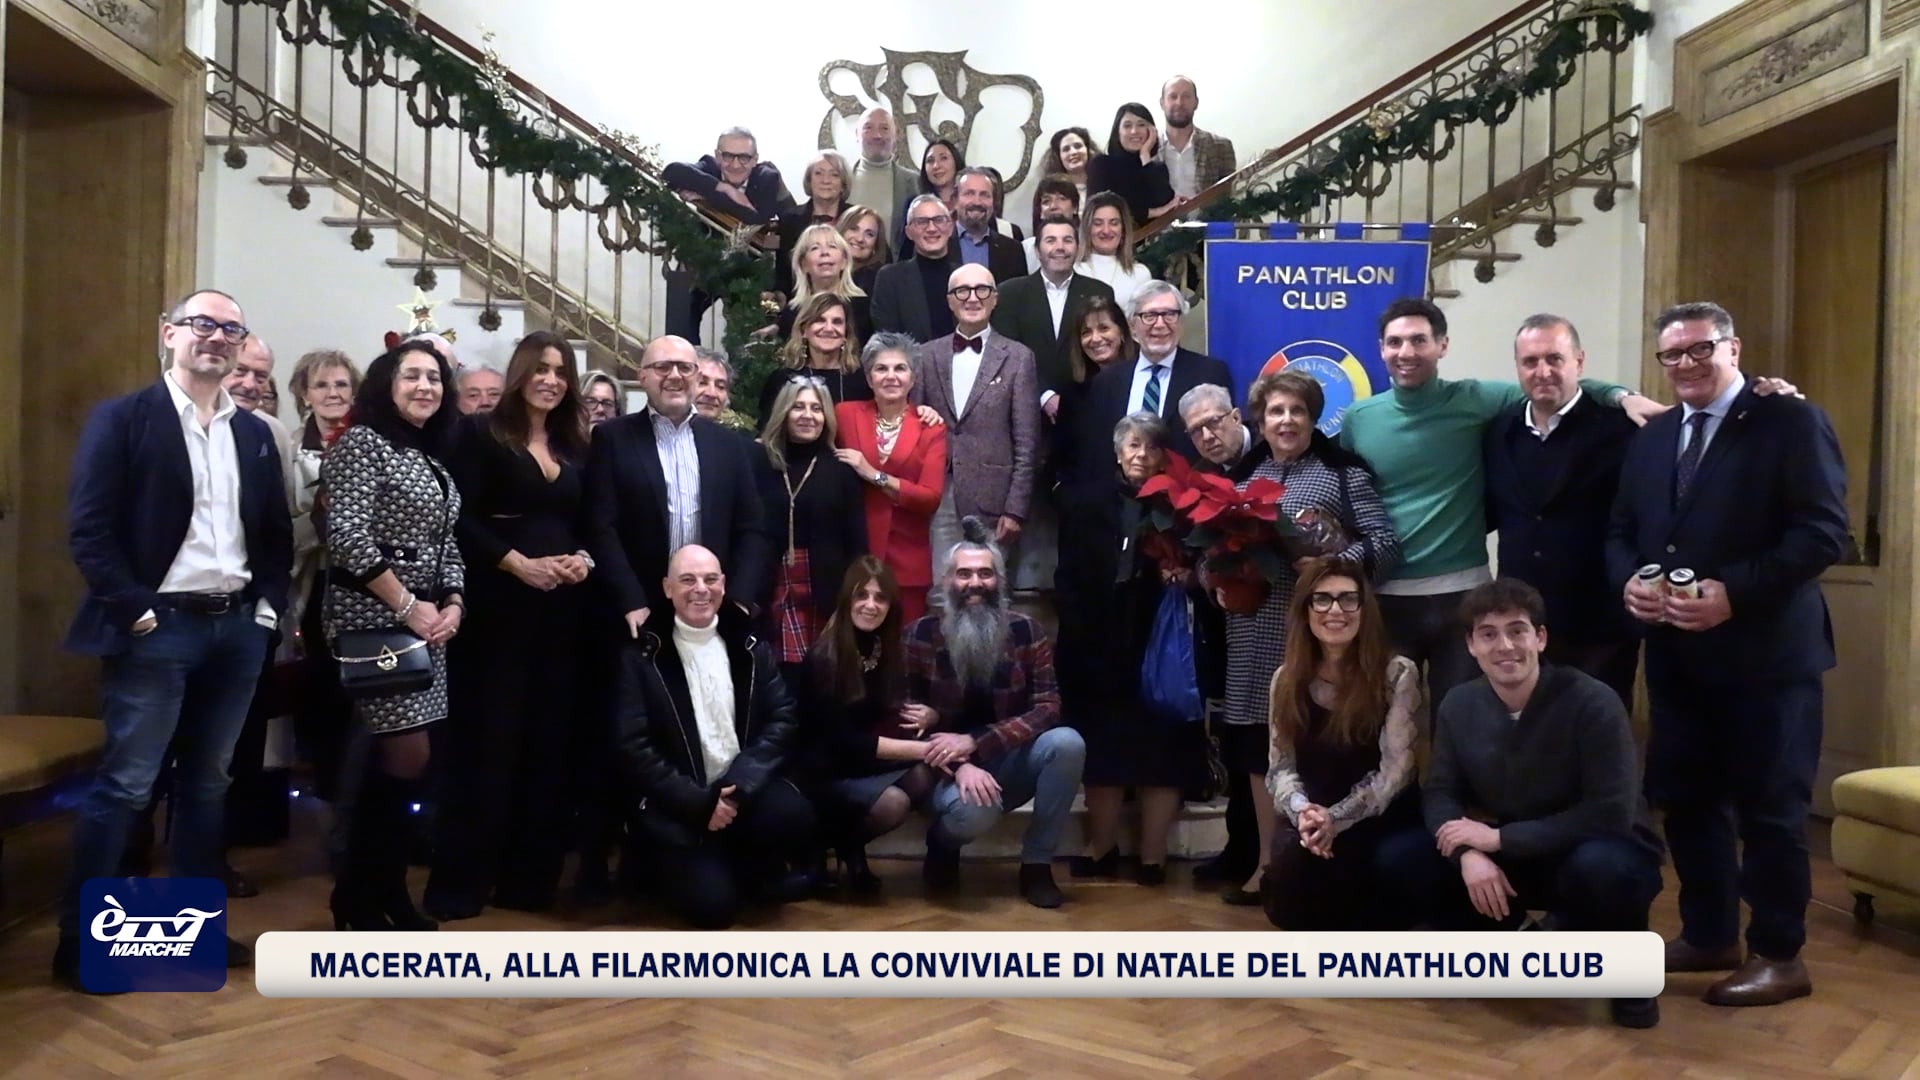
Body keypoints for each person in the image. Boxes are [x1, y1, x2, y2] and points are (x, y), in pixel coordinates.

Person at [1607, 301, 1848, 1007]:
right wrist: (1631, 582)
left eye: (1699, 349)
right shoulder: (1655, 436)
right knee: (1686, 801)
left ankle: (1780, 953)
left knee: (1771, 811)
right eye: (1672, 354)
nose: (1685, 364)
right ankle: (1710, 933)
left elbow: (1823, 534)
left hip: (1768, 660)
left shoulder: (1789, 421)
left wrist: (1733, 593)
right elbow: (1621, 529)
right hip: (1677, 658)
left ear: (1732, 348)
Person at [56, 289, 291, 989]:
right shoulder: (123, 419)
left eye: (230, 329)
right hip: (158, 628)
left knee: (208, 784)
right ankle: (83, 943)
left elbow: (274, 533)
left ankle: (191, 938)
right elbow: (90, 530)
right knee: (127, 786)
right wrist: (136, 612)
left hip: (236, 629)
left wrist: (267, 610)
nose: (215, 337)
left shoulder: (252, 433)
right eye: (201, 324)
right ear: (169, 334)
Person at [1341, 297, 1657, 719]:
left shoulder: (1477, 400)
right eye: (1395, 342)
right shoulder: (1359, 419)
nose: (1406, 352)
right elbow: (1348, 497)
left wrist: (1620, 395)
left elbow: (1552, 385)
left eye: (1419, 340)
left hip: (1463, 595)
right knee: (1385, 723)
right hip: (1386, 595)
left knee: (1464, 721)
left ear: (1442, 345)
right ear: (1381, 349)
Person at [1384, 578, 1666, 1029]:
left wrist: (1498, 839)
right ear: (1471, 646)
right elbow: (1440, 792)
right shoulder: (1459, 703)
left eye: (1517, 630)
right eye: (1489, 634)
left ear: (1541, 637)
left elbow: (1610, 812)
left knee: (1607, 870)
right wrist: (1467, 852)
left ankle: (1629, 977)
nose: (1505, 646)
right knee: (1403, 857)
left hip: (1595, 847)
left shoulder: (1593, 701)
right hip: (1513, 850)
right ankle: (1513, 944)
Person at [425, 331, 593, 920]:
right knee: (486, 745)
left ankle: (529, 881)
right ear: (520, 373)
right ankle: (463, 883)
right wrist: (514, 562)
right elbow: (457, 517)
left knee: (547, 746)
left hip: (561, 615)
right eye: (541, 368)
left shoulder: (575, 443)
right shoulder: (479, 434)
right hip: (496, 612)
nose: (551, 380)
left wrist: (582, 559)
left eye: (561, 371)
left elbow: (590, 522)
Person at [1217, 370, 1400, 905]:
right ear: (1260, 421)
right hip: (1253, 630)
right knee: (1259, 750)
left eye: (1297, 410)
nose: (1286, 421)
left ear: (1314, 417)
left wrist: (1329, 569)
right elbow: (1221, 550)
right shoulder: (1243, 476)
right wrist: (1217, 577)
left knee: (1311, 746)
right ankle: (1266, 861)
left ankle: (1320, 847)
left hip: (1322, 633)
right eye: (1276, 411)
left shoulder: (1341, 472)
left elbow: (1385, 544)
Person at [320, 340, 466, 933]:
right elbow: (347, 537)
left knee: (406, 765)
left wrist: (454, 602)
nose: (426, 386)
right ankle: (358, 895)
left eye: (435, 377)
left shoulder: (430, 454)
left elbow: (446, 543)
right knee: (405, 758)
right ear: (387, 383)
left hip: (428, 626)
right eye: (413, 376)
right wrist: (409, 607)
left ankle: (383, 891)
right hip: (376, 623)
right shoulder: (363, 443)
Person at [613, 544, 815, 929]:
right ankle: (670, 867)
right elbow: (634, 748)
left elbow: (783, 718)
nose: (701, 589)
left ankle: (736, 864)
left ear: (723, 584)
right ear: (667, 588)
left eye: (710, 579)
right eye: (687, 580)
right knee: (714, 912)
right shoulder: (641, 655)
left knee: (794, 813)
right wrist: (700, 803)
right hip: (680, 805)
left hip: (739, 793)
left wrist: (739, 784)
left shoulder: (749, 644)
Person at [905, 518, 1085, 908]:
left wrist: (976, 742)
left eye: (985, 574)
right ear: (947, 581)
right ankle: (942, 844)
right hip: (942, 769)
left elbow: (1048, 707)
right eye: (964, 574)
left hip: (1006, 758)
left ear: (999, 581)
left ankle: (1037, 864)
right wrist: (960, 765)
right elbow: (907, 722)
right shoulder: (919, 635)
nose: (975, 583)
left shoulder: (1027, 631)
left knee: (1067, 744)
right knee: (976, 811)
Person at [1059, 413, 1204, 885]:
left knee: (1162, 748)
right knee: (1102, 746)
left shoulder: (1181, 506)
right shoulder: (1087, 502)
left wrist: (1183, 577)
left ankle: (1153, 856)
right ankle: (1101, 848)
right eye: (1134, 446)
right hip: (1098, 641)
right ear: (1118, 452)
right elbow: (1069, 574)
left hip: (1161, 643)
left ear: (1165, 456)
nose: (1142, 455)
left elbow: (1203, 567)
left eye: (1152, 447)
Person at [1483, 314, 1639, 705]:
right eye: (1530, 361)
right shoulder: (1499, 431)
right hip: (1520, 621)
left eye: (1555, 359)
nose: (1543, 371)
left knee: (1596, 729)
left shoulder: (1622, 429)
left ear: (1579, 362)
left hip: (1600, 622)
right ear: (1517, 367)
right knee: (1525, 730)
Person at [1260, 558, 1424, 928]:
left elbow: (1394, 774)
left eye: (1348, 599)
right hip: (1314, 815)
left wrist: (1336, 818)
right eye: (1322, 599)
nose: (1335, 610)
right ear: (1306, 610)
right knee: (1289, 887)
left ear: (1365, 609)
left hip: (1377, 816)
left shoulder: (1397, 673)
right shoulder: (1285, 679)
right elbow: (1280, 768)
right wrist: (1306, 814)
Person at [583, 335, 771, 637]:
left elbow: (752, 528)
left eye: (685, 368)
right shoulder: (612, 438)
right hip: (639, 611)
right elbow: (601, 527)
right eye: (663, 367)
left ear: (696, 376)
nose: (675, 376)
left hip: (711, 609)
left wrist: (738, 599)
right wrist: (630, 601)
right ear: (642, 377)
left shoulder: (729, 445)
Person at [800, 557, 942, 895]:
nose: (870, 605)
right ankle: (827, 846)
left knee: (923, 775)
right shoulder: (825, 656)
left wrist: (932, 717)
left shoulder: (882, 647)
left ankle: (849, 846)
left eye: (880, 598)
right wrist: (926, 748)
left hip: (859, 763)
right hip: (822, 771)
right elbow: (845, 741)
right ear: (846, 599)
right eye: (861, 595)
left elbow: (890, 710)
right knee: (894, 803)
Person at [1177, 382, 1262, 887]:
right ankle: (1240, 849)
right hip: (1225, 626)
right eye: (1196, 431)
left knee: (1266, 748)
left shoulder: (1272, 459)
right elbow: (1197, 555)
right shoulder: (1200, 480)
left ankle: (1268, 856)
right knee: (1235, 744)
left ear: (1236, 416)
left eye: (1214, 422)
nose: (1208, 435)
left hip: (1280, 623)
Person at [913, 263, 1042, 577]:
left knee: (989, 588)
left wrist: (1016, 509)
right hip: (939, 495)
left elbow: (1027, 442)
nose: (972, 298)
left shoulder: (1018, 357)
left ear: (995, 298)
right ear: (950, 301)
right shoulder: (926, 355)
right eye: (962, 291)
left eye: (982, 289)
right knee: (942, 589)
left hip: (994, 499)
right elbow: (913, 424)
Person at [755, 379, 869, 684]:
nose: (808, 415)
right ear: (784, 412)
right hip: (771, 586)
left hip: (825, 588)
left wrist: (852, 599)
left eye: (816, 408)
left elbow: (857, 542)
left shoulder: (841, 468)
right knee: (778, 679)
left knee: (822, 678)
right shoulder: (759, 462)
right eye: (799, 407)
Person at [286, 348, 361, 804]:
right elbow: (281, 522)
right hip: (315, 584)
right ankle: (331, 792)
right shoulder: (290, 448)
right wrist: (323, 519)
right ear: (304, 394)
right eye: (321, 385)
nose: (333, 393)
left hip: (367, 587)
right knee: (324, 690)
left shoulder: (371, 443)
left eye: (341, 384)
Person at [834, 333, 948, 624]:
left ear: (913, 378)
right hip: (855, 553)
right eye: (881, 368)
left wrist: (874, 475)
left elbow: (930, 498)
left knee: (905, 642)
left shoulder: (930, 427)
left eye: (900, 368)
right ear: (869, 379)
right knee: (852, 641)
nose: (891, 376)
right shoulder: (844, 415)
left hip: (907, 560)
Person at [1071, 280, 1230, 478]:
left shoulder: (1210, 373)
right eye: (1149, 316)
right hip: (1121, 495)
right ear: (1132, 325)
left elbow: (1223, 445)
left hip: (1188, 492)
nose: (1160, 324)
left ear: (1180, 322)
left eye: (1170, 314)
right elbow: (1096, 456)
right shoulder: (1106, 382)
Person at [993, 214, 1116, 418]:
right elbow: (1007, 352)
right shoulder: (1009, 293)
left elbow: (1104, 353)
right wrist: (1045, 395)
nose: (1060, 247)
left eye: (1067, 240)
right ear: (1037, 250)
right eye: (1051, 240)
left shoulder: (1100, 292)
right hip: (1024, 409)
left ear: (1077, 248)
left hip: (1086, 407)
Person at [761, 292, 872, 419]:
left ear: (846, 333)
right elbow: (769, 429)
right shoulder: (782, 380)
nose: (829, 328)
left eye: (837, 322)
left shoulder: (865, 381)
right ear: (804, 330)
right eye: (820, 320)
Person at [870, 194, 961, 342]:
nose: (931, 228)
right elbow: (888, 338)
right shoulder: (890, 279)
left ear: (950, 228)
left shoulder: (967, 276)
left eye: (938, 220)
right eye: (922, 222)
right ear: (909, 232)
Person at [773, 226, 874, 346]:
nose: (824, 252)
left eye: (832, 246)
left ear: (844, 261)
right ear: (804, 264)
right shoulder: (792, 313)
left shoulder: (864, 308)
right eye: (815, 248)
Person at [772, 151, 852, 301]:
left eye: (834, 175)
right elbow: (783, 270)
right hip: (799, 301)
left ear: (843, 184)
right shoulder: (789, 219)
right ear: (809, 181)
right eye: (818, 173)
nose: (826, 180)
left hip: (849, 301)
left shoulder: (856, 218)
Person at [1087, 103, 1177, 224]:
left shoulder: (1156, 168)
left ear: (1151, 131)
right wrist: (1156, 212)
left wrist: (1145, 155)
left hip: (1156, 235)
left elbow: (1167, 203)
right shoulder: (1101, 164)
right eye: (1127, 126)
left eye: (1141, 125)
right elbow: (1101, 209)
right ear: (1117, 132)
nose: (1134, 131)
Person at [1157, 76, 1236, 200]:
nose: (1179, 103)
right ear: (1162, 103)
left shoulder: (1221, 147)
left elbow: (1227, 199)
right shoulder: (1147, 149)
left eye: (1186, 96)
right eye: (1173, 96)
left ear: (1196, 103)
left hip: (1207, 213)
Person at [845, 107, 919, 237]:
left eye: (884, 128)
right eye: (868, 128)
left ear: (896, 135)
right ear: (857, 134)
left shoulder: (915, 183)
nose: (877, 135)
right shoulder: (842, 180)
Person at [1075, 193, 1153, 312]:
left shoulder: (1140, 274)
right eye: (1098, 223)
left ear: (1123, 229)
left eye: (1114, 223)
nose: (1106, 230)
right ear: (1087, 229)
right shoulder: (1072, 271)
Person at [950, 167, 1028, 283]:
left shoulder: (1013, 250)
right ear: (955, 201)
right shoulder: (939, 245)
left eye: (984, 195)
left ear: (994, 202)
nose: (977, 202)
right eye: (969, 193)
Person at [1022, 175, 1081, 272]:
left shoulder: (1087, 245)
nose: (1053, 206)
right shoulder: (1026, 248)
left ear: (1075, 207)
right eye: (1046, 201)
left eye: (1061, 199)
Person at [1040, 127, 1100, 206]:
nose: (1073, 152)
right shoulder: (1050, 192)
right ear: (1059, 157)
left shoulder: (1105, 184)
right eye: (1066, 149)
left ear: (1088, 150)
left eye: (1078, 146)